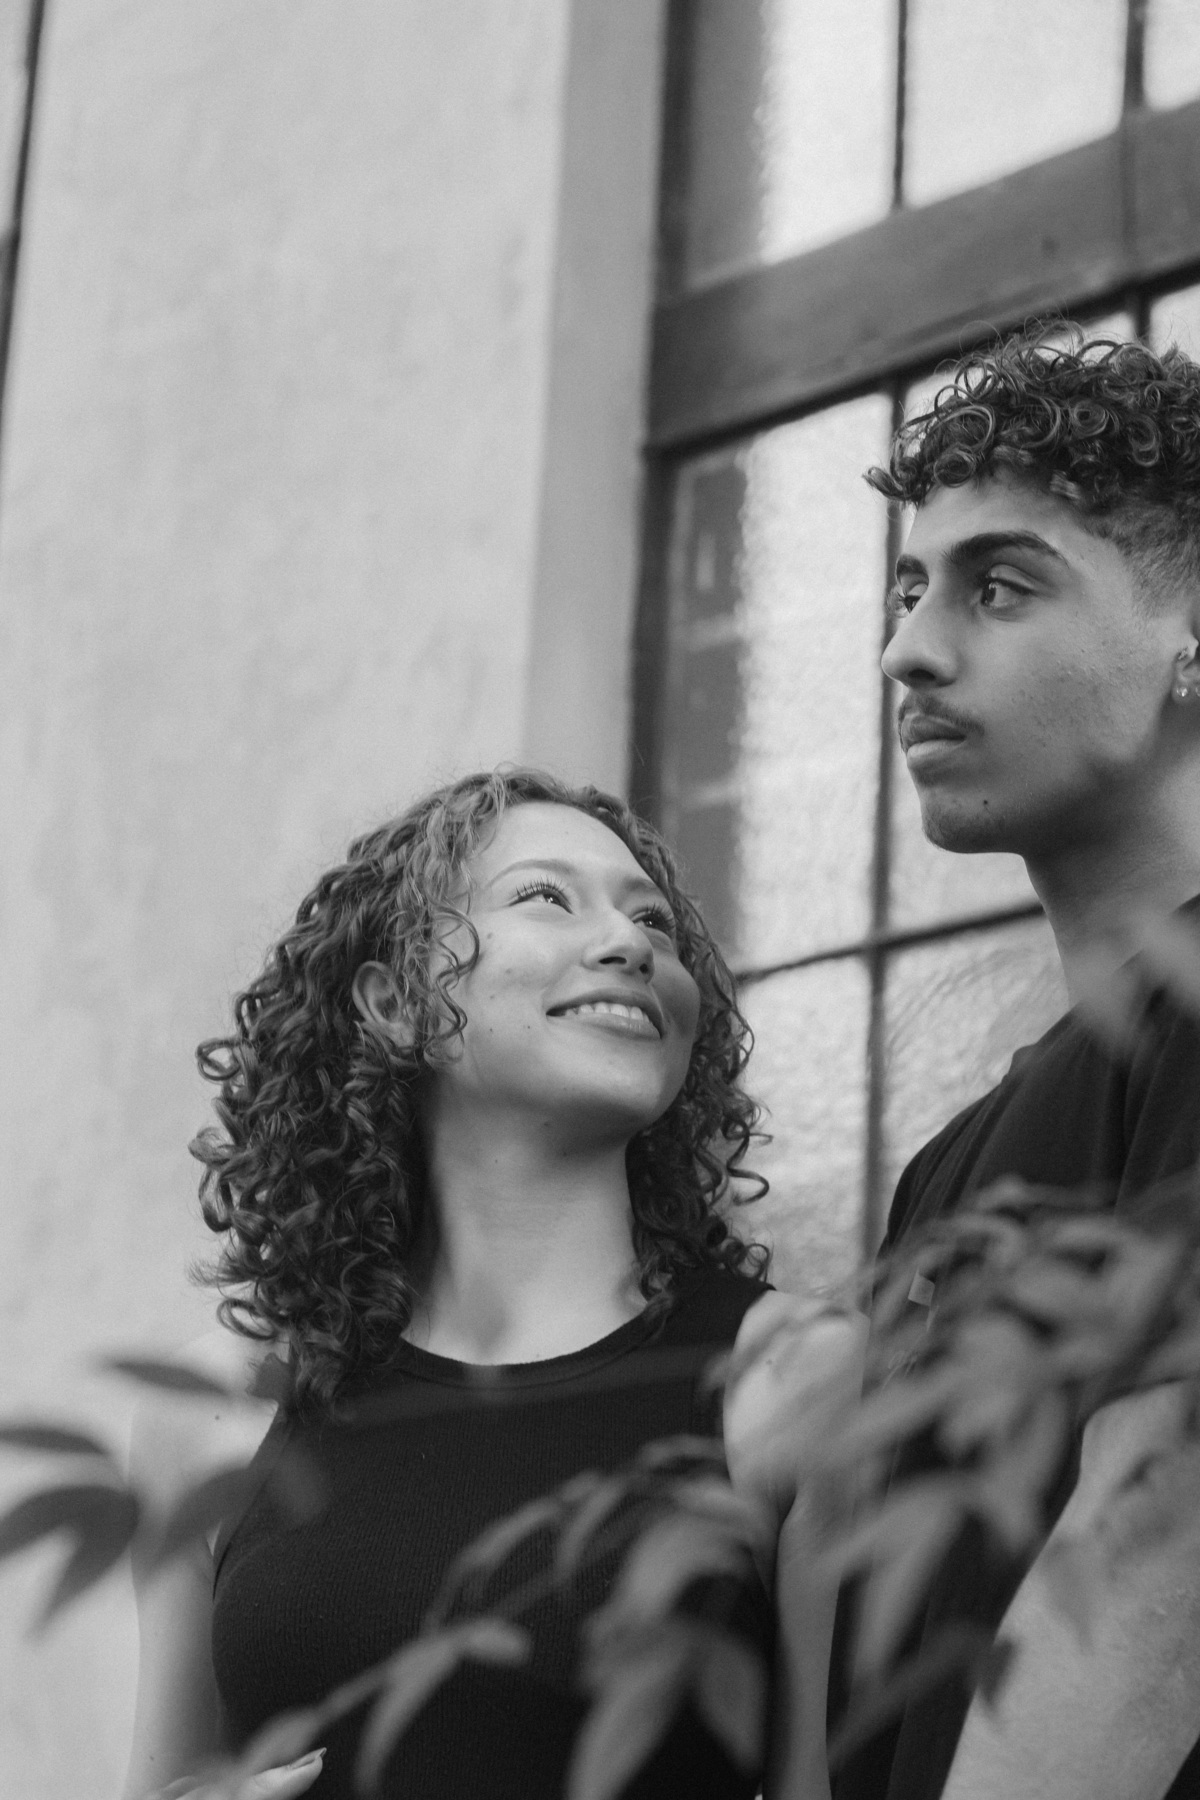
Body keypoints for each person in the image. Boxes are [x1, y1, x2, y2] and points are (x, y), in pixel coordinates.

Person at [122, 767, 861, 1800]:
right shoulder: (213, 1414)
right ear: (396, 1002)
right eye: (547, 897)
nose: (630, 942)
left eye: (653, 919)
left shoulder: (795, 1379)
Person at [833, 331, 1200, 1800]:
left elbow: (1153, 1597)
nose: (909, 650)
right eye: (911, 592)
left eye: (1000, 585)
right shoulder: (948, 1165)